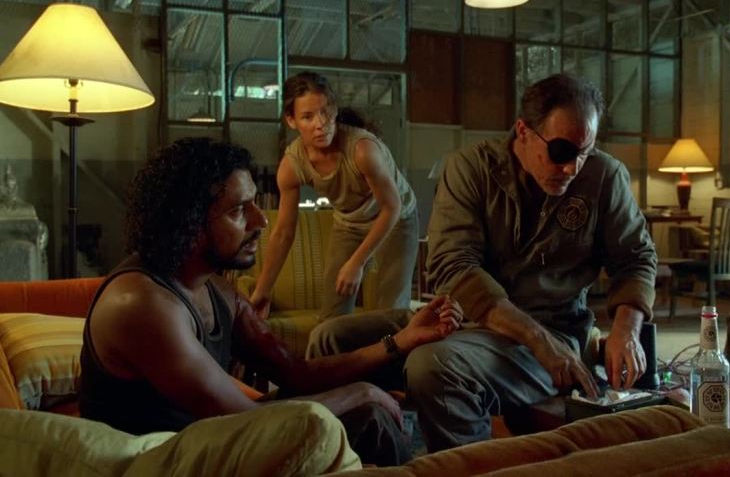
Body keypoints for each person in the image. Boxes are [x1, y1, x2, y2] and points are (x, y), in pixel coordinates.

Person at [310, 73, 657, 452]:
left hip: (554, 330)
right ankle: (366, 457)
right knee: (331, 338)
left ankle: (475, 465)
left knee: (432, 365)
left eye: (584, 152)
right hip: (467, 320)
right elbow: (454, 265)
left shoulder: (604, 177)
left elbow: (635, 258)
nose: (573, 168)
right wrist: (537, 340)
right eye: (561, 152)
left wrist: (626, 329)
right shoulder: (471, 168)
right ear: (523, 131)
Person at [78, 138, 462, 466]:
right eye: (238, 210)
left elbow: (295, 373)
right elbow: (246, 418)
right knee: (365, 414)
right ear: (188, 222)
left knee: (366, 414)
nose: (261, 221)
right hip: (158, 462)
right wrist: (361, 391)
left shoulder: (217, 290)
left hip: (209, 442)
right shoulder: (141, 304)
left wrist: (401, 341)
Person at [250, 71, 418, 321]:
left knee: (389, 311)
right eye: (307, 116)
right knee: (332, 311)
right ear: (291, 120)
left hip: (396, 218)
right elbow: (284, 232)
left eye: (325, 111)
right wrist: (262, 291)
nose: (320, 124)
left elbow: (391, 208)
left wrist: (357, 263)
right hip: (349, 223)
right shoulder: (291, 165)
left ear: (335, 110)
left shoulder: (363, 150)